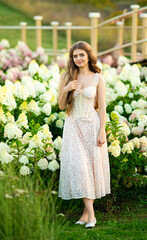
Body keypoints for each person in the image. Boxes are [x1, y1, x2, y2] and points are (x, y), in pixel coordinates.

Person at [57, 41, 111, 229]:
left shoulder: (98, 78)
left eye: (81, 55)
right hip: (73, 126)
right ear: (72, 59)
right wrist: (66, 89)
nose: (78, 58)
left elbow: (102, 107)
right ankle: (92, 216)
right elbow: (61, 106)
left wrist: (102, 130)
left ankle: (85, 213)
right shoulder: (67, 77)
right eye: (75, 56)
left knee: (91, 169)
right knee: (80, 168)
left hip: (92, 125)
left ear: (88, 55)